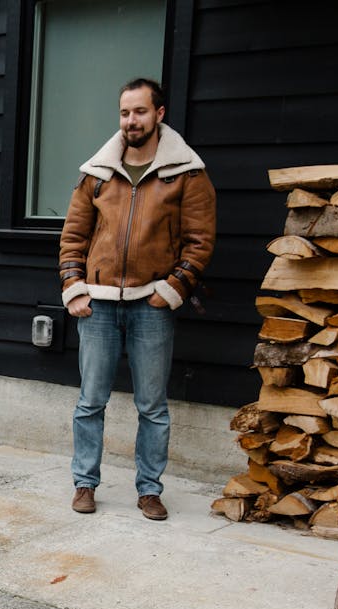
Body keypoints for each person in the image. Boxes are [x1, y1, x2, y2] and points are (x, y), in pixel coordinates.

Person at [58, 78, 216, 521]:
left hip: (152, 303)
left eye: (140, 112)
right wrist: (74, 287)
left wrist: (171, 290)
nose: (131, 121)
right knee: (90, 401)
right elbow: (73, 237)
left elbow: (200, 242)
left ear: (159, 114)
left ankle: (149, 490)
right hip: (99, 303)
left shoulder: (186, 172)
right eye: (125, 113)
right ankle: (85, 484)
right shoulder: (97, 173)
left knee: (153, 406)